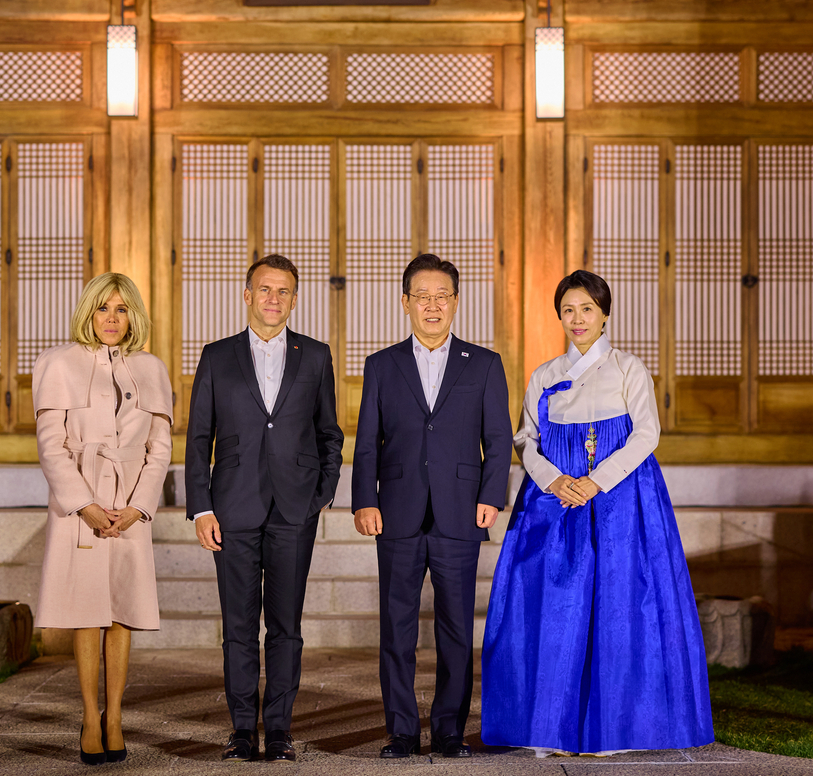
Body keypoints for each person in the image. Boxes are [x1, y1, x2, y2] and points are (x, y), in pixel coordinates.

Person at [481, 270, 713, 757]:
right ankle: (550, 727)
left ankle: (616, 728)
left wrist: (597, 480)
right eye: (568, 310)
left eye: (587, 308)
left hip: (621, 504)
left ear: (605, 313)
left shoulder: (629, 369)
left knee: (620, 608)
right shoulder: (545, 375)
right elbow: (526, 439)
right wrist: (553, 480)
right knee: (554, 611)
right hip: (555, 506)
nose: (577, 318)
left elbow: (646, 435)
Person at [352, 253, 513, 760]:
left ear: (457, 302)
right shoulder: (381, 365)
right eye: (421, 296)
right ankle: (400, 732)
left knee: (456, 631)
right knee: (396, 630)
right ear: (405, 303)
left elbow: (499, 436)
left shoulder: (484, 364)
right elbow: (366, 443)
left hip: (460, 512)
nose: (432, 305)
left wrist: (491, 494)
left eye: (442, 296)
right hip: (396, 512)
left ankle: (448, 732)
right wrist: (363, 500)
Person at [185, 254, 344, 764]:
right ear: (247, 294)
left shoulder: (316, 356)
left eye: (284, 291)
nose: (274, 298)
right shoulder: (216, 356)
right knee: (237, 627)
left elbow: (329, 435)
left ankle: (278, 730)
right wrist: (200, 509)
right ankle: (240, 732)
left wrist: (320, 495)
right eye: (265, 289)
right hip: (231, 510)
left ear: (294, 299)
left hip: (295, 511)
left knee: (286, 627)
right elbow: (197, 440)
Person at [33, 272, 174, 766]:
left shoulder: (152, 368)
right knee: (86, 613)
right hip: (80, 505)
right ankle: (90, 718)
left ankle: (115, 716)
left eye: (121, 309)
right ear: (88, 312)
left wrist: (137, 508)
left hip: (130, 506)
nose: (112, 319)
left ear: (134, 315)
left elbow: (160, 451)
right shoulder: (57, 363)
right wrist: (85, 505)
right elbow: (52, 448)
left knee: (121, 614)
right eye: (103, 308)